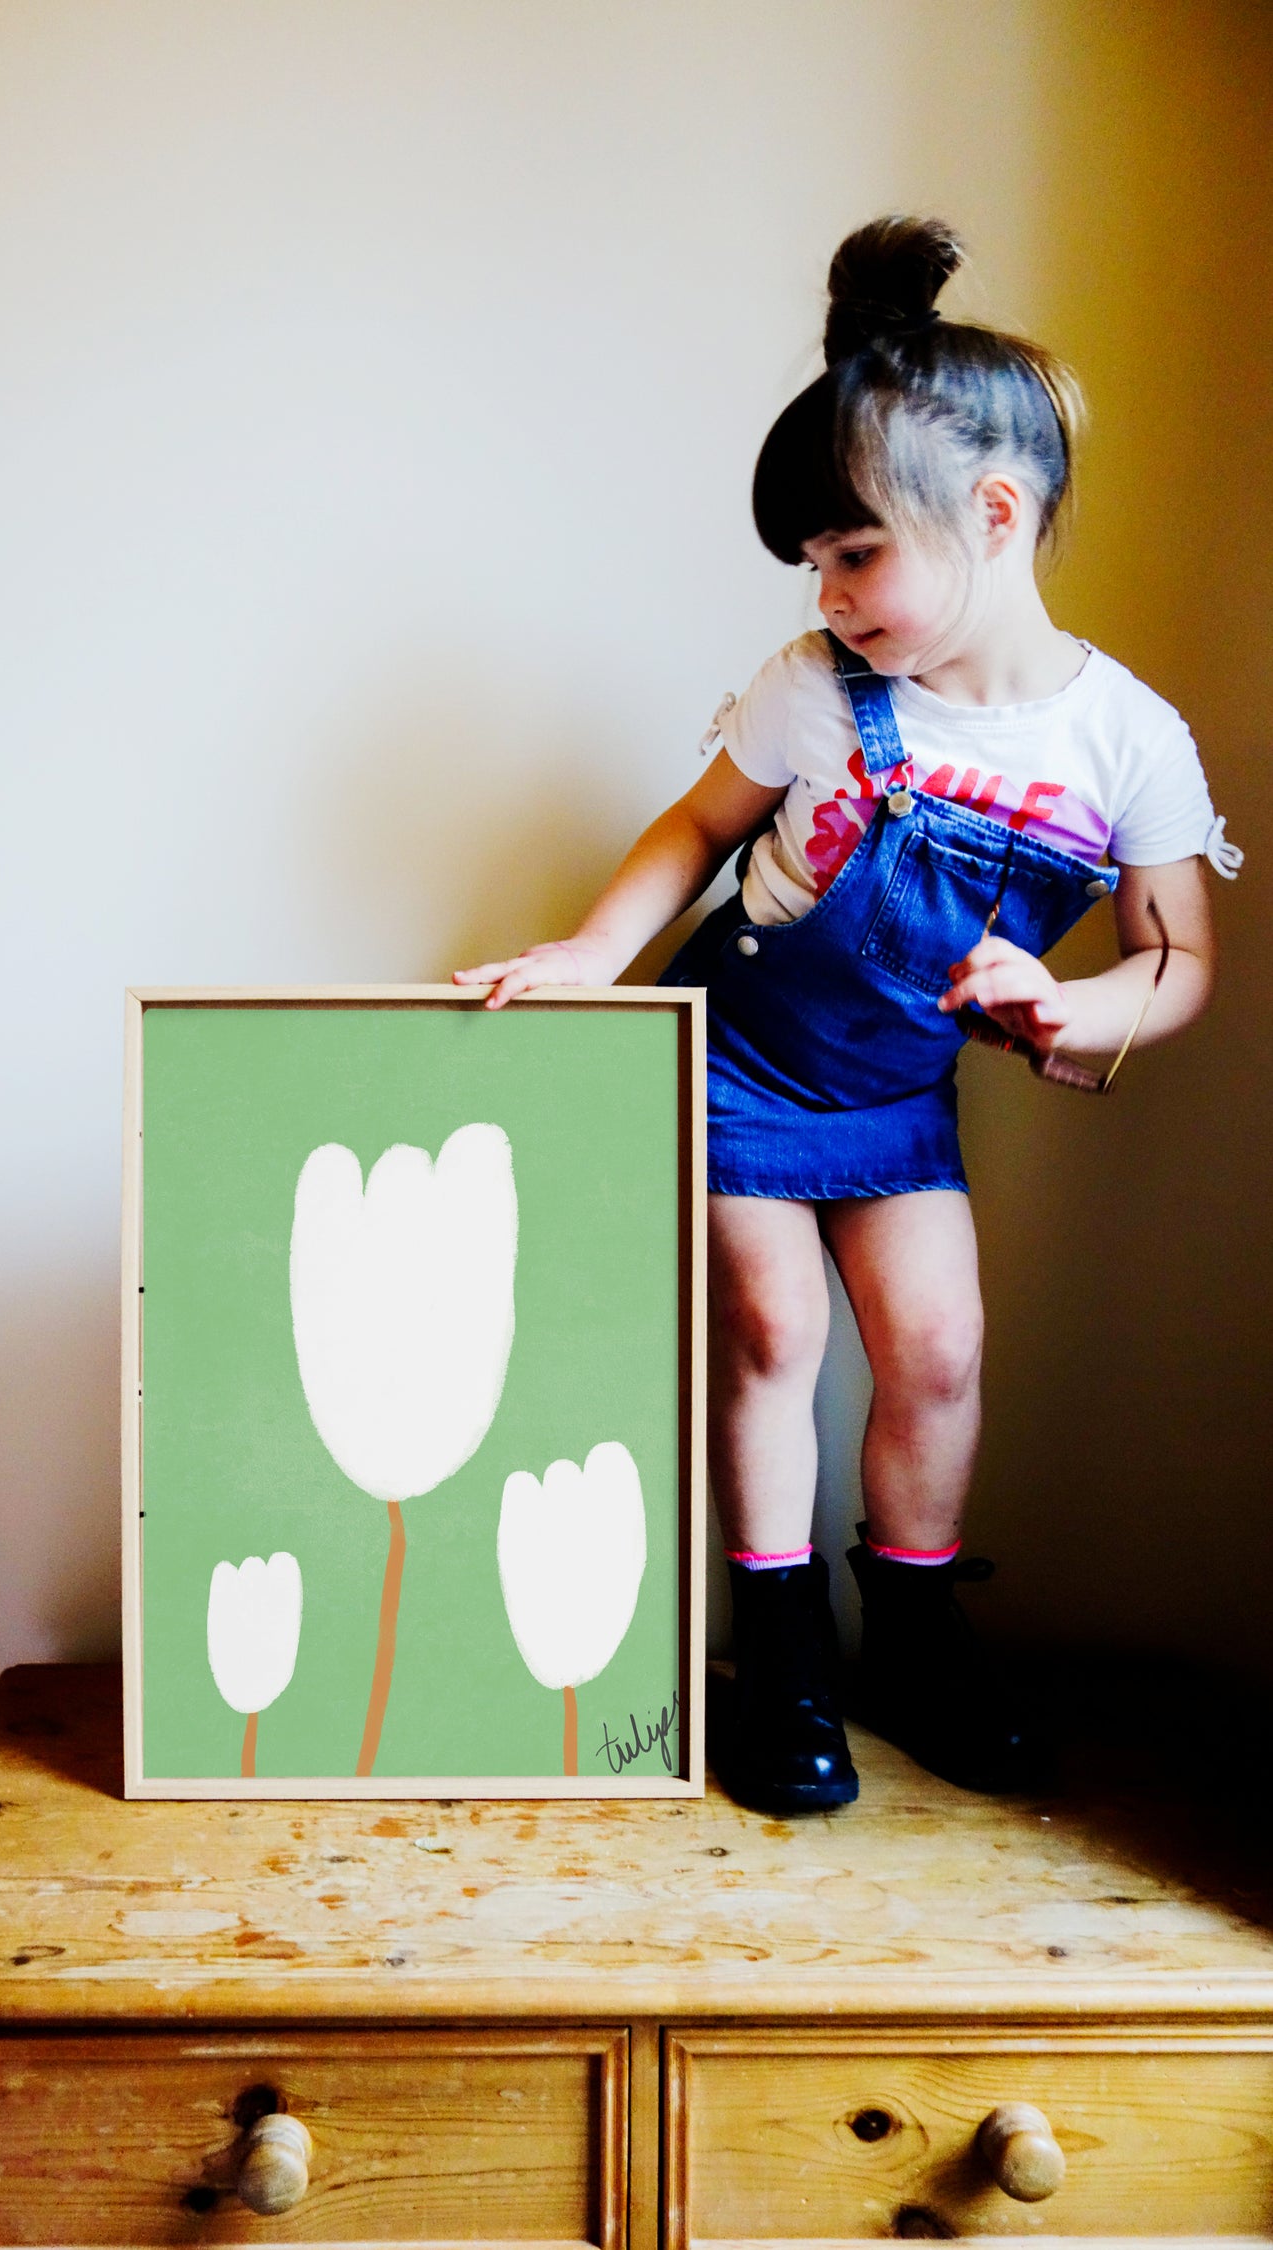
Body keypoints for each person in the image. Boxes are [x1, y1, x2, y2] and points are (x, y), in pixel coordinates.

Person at [454, 216, 1241, 1813]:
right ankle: (787, 1648)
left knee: (940, 1348)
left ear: (996, 513)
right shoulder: (821, 687)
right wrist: (605, 949)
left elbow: (1180, 958)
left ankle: (919, 1630)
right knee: (772, 1329)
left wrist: (1071, 999)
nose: (830, 587)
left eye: (855, 550)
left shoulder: (1126, 741)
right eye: (814, 562)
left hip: (893, 1092)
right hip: (740, 1056)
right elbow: (694, 832)